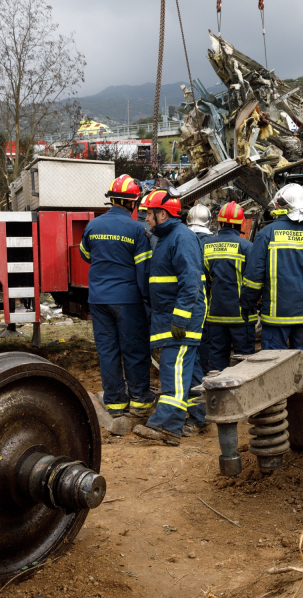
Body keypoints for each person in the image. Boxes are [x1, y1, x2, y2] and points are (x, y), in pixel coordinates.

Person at [133, 189, 207, 445]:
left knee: (173, 368)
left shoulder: (181, 238)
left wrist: (180, 318)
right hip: (173, 316)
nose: (147, 218)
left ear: (162, 214)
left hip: (181, 318)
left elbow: (190, 283)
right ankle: (199, 416)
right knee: (191, 370)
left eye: (149, 213)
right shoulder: (167, 237)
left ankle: (166, 425)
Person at [78, 175, 155, 418]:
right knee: (133, 349)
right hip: (128, 299)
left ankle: (114, 403)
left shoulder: (94, 225)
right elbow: (143, 269)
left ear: (112, 199)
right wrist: (147, 300)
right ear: (133, 203)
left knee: (108, 350)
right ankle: (141, 400)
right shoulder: (136, 229)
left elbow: (85, 254)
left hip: (98, 299)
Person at [240, 183, 303, 353]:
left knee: (273, 367)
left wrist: (248, 304)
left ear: (283, 206)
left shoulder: (267, 233)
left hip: (275, 318)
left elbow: (254, 277)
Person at [203, 201, 255, 372]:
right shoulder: (247, 247)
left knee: (216, 361)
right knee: (244, 361)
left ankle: (216, 396)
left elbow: (202, 281)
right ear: (240, 223)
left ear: (219, 222)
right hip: (241, 317)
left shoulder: (206, 246)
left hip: (215, 316)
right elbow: (254, 281)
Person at [187, 204, 214, 373]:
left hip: (186, 302)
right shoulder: (212, 243)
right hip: (209, 303)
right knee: (205, 341)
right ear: (209, 222)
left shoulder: (182, 240)